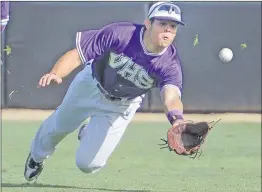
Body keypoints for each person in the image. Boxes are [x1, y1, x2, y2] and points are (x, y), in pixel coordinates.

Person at [24, 1, 186, 181]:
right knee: (59, 127)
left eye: (173, 26)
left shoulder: (170, 64)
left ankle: (88, 131)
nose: (168, 30)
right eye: (162, 24)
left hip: (121, 106)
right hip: (90, 86)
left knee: (89, 165)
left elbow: (170, 96)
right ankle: (36, 158)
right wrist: (56, 73)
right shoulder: (121, 34)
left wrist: (177, 120)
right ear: (148, 23)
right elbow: (78, 53)